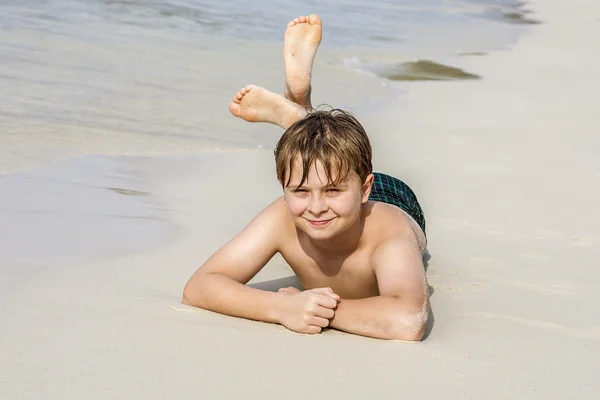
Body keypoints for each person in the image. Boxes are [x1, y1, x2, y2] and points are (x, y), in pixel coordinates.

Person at [182, 15, 429, 341]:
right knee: (328, 163)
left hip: (393, 197)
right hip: (341, 175)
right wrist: (281, 309)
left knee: (340, 163)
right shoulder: (282, 215)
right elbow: (199, 286)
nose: (315, 207)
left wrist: (319, 310)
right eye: (299, 190)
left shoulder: (388, 230)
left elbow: (408, 320)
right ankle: (304, 124)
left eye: (331, 192)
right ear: (283, 187)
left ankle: (301, 121)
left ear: (364, 188)